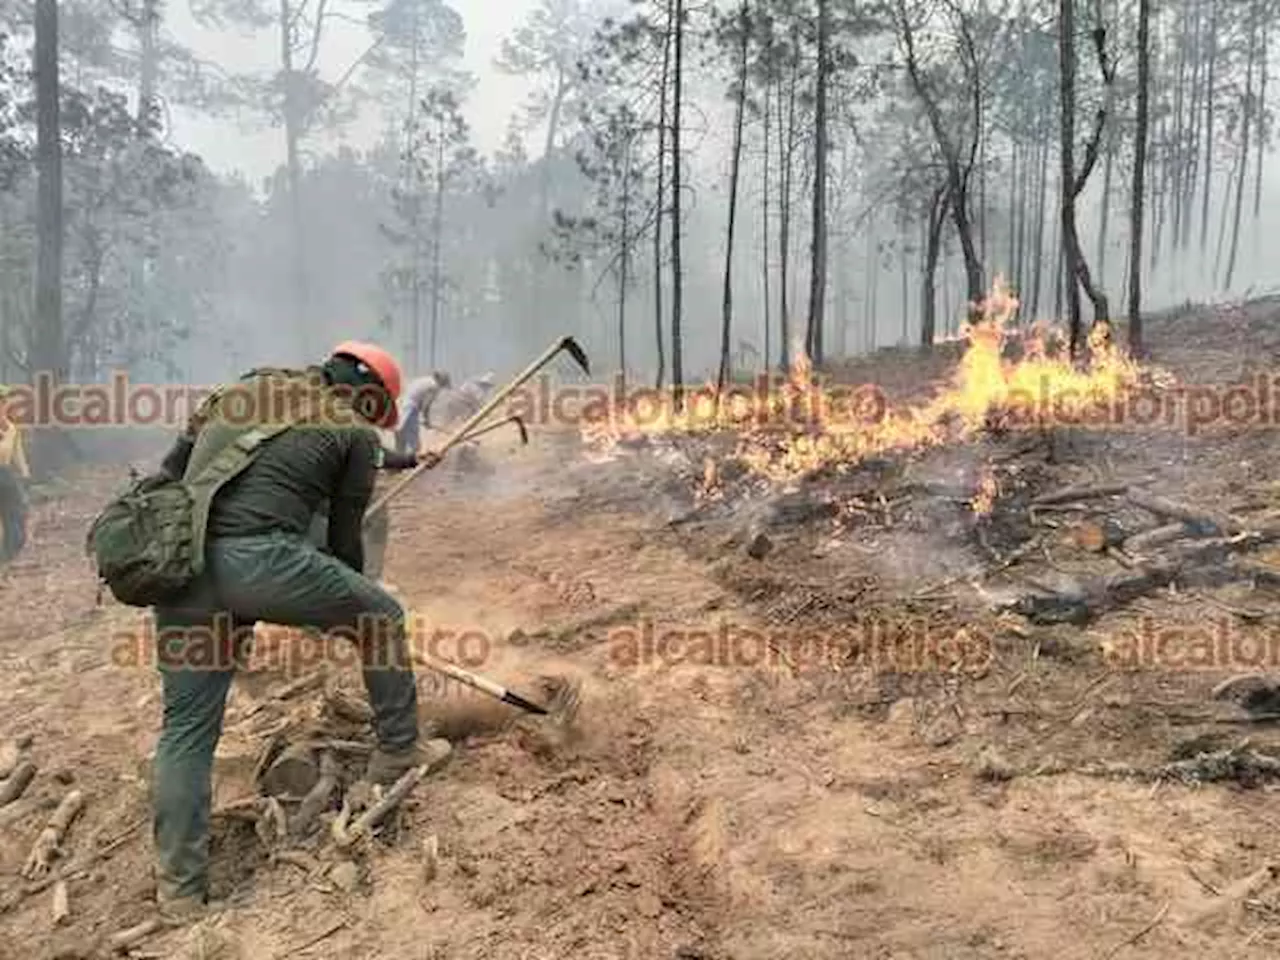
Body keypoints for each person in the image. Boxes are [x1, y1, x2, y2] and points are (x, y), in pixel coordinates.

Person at [148, 341, 449, 919]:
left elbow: (172, 473)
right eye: (374, 411)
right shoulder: (354, 431)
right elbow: (343, 542)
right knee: (382, 618)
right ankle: (397, 751)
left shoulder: (240, 390)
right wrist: (342, 610)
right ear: (366, 396)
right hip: (259, 563)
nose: (372, 424)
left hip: (181, 570)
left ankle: (180, 893)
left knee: (185, 731)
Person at [0, 387, 28, 562]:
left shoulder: (12, 428)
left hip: (5, 474)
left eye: (3, 402)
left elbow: (18, 454)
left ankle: (8, 553)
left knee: (15, 516)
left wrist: (25, 473)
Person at [394, 371, 450, 456]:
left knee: (400, 437)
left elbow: (417, 397)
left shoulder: (425, 380)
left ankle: (398, 464)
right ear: (442, 381)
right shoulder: (433, 386)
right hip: (410, 410)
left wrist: (425, 418)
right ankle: (416, 464)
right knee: (415, 443)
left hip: (401, 407)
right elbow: (426, 404)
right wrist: (426, 419)